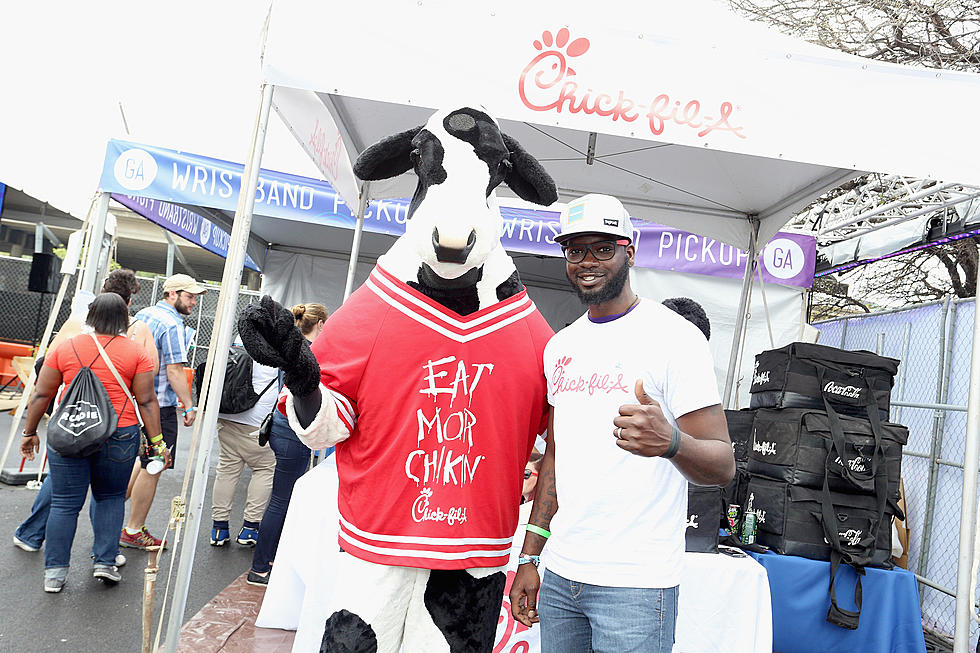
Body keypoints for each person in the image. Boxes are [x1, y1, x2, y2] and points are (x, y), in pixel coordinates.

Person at [509, 193, 735, 653]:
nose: (587, 262)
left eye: (603, 248)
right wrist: (531, 555)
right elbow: (556, 456)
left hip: (637, 584)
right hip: (562, 575)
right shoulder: (560, 347)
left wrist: (671, 442)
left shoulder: (675, 337)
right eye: (575, 250)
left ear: (629, 252)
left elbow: (723, 464)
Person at [13, 269, 159, 566]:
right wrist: (157, 441)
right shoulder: (137, 330)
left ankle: (33, 539)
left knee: (63, 491)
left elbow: (46, 369)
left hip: (72, 418)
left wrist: (33, 426)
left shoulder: (74, 325)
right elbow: (149, 379)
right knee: (109, 494)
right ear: (129, 302)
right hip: (118, 423)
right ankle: (104, 555)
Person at [246, 302, 327, 586]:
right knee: (282, 500)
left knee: (282, 498)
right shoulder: (309, 353)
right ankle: (261, 567)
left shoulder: (291, 348)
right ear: (319, 324)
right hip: (294, 430)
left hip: (282, 426)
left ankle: (267, 562)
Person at [122, 273, 205, 550]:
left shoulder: (144, 314)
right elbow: (174, 370)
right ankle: (133, 529)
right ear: (172, 294)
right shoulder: (172, 324)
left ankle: (118, 515)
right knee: (155, 464)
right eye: (189, 295)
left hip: (134, 401)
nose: (194, 301)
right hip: (158, 406)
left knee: (143, 458)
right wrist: (189, 405)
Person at [209, 349, 279, 548]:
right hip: (258, 422)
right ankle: (249, 527)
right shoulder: (279, 347)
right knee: (264, 469)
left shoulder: (238, 339)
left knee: (226, 470)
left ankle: (218, 529)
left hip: (229, 414)